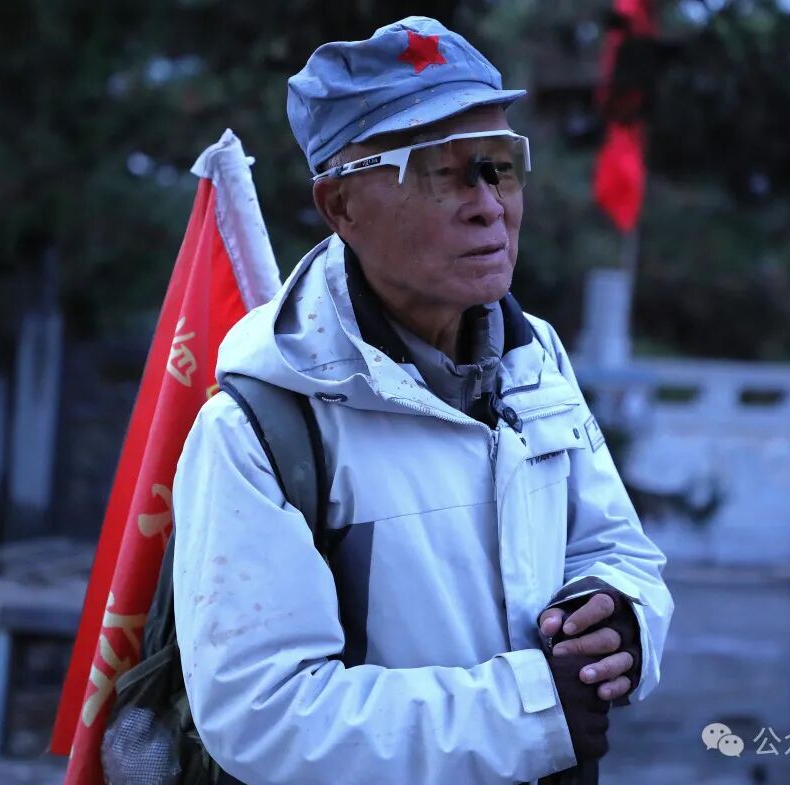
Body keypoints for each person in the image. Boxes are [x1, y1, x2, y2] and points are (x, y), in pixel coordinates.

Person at [172, 16, 674, 785]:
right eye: (442, 171)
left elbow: (616, 549)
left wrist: (620, 618)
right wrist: (532, 713)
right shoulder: (262, 427)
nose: (488, 204)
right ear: (340, 207)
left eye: (500, 166)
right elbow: (262, 714)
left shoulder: (533, 359)